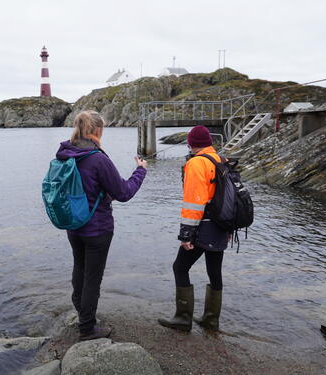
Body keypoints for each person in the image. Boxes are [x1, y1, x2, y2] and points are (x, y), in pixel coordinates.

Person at [55, 110, 147, 341]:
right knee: (92, 278)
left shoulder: (65, 154)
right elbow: (124, 192)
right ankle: (87, 328)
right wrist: (140, 170)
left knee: (80, 269)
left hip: (73, 225)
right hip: (97, 229)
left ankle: (81, 312)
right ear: (97, 130)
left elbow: (81, 188)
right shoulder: (97, 158)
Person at [158, 125, 229, 332]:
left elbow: (194, 203)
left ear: (191, 144)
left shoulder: (197, 163)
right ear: (209, 143)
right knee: (214, 272)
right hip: (222, 225)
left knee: (180, 267)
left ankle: (183, 318)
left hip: (204, 226)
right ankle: (211, 319)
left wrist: (186, 235)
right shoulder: (220, 160)